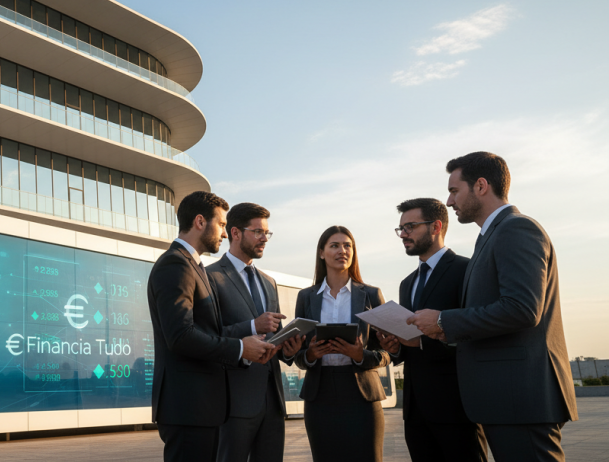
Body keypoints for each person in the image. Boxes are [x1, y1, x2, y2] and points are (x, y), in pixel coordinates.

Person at [408, 152, 578, 462]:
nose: (448, 201)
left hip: (521, 399)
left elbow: (523, 309)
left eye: (454, 190)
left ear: (481, 186)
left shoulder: (517, 229)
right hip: (505, 400)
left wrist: (445, 320)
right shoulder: (489, 238)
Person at [147, 191, 277, 462]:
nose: (225, 233)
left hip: (201, 409)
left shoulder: (193, 266)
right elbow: (181, 336)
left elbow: (208, 333)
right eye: (220, 224)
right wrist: (241, 347)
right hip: (187, 408)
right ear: (199, 222)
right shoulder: (175, 264)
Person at [377, 198, 487, 461]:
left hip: (457, 407)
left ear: (436, 226)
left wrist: (424, 342)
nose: (403, 234)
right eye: (401, 228)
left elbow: (478, 332)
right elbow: (410, 344)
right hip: (415, 411)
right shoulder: (408, 283)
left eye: (410, 227)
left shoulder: (467, 270)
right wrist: (395, 348)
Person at [206, 203, 303, 462]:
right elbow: (208, 335)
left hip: (272, 402)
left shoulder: (268, 282)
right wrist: (252, 326)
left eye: (267, 233)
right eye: (258, 232)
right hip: (232, 403)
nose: (264, 239)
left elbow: (273, 333)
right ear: (235, 233)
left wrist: (289, 350)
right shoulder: (209, 277)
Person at [293, 225, 390, 462]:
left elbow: (388, 352)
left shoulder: (371, 294)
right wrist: (311, 355)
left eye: (348, 246)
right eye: (334, 245)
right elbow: (297, 353)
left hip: (362, 394)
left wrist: (360, 355)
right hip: (320, 394)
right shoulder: (306, 297)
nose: (342, 251)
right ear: (321, 252)